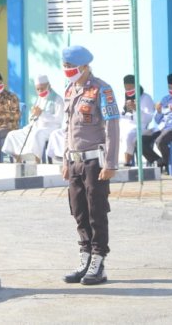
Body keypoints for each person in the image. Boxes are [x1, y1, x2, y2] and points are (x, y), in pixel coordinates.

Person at [60, 45, 119, 286]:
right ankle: (84, 257)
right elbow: (67, 129)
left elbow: (113, 127)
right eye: (64, 67)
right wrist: (65, 160)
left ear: (84, 67)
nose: (66, 71)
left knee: (96, 211)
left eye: (70, 67)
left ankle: (98, 261)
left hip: (95, 161)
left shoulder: (101, 90)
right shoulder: (69, 90)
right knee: (79, 211)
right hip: (74, 161)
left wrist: (111, 163)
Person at [2, 75, 63, 163]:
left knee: (37, 134)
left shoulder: (58, 99)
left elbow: (58, 119)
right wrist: (33, 115)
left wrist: (42, 114)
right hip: (36, 126)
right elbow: (32, 116)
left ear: (48, 86)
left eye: (42, 88)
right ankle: (18, 160)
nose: (40, 91)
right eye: (37, 89)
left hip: (50, 128)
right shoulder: (39, 99)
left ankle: (36, 161)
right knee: (13, 134)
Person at [118, 74, 155, 167]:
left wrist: (136, 109)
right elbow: (119, 114)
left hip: (140, 127)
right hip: (123, 124)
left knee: (128, 135)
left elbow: (148, 118)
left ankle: (127, 163)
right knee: (108, 134)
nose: (129, 91)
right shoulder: (122, 97)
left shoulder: (146, 98)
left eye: (131, 88)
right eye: (127, 89)